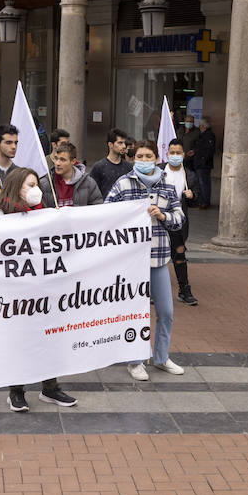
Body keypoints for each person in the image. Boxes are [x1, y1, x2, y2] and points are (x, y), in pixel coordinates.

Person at [0, 167, 78, 412]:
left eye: (37, 184)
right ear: (16, 188)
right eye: (30, 185)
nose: (36, 189)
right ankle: (16, 392)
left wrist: (59, 221)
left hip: (45, 291)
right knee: (20, 342)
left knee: (48, 338)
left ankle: (50, 388)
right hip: (15, 294)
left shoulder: (46, 214)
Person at [106, 141, 185, 380]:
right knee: (136, 312)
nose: (144, 159)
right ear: (133, 158)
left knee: (166, 311)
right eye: (139, 156)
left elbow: (179, 218)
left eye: (148, 156)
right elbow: (107, 213)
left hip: (159, 257)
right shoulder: (123, 184)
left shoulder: (168, 186)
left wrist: (163, 215)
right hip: (132, 260)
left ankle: (161, 357)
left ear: (155, 158)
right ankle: (135, 360)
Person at [163, 138, 197, 306]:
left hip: (178, 223)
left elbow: (195, 202)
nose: (175, 155)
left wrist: (192, 196)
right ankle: (152, 290)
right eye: (172, 153)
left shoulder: (189, 175)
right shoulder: (157, 172)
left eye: (178, 153)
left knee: (179, 256)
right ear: (167, 154)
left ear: (183, 155)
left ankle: (184, 290)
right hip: (159, 222)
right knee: (153, 256)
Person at [48, 142, 102, 208]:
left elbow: (97, 209)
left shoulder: (88, 183)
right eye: (56, 159)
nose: (57, 163)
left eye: (62, 160)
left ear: (73, 161)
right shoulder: (47, 182)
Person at [88, 128, 132, 198]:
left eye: (124, 143)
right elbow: (92, 193)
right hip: (105, 207)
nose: (124, 146)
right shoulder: (99, 167)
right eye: (120, 143)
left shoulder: (129, 167)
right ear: (110, 145)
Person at [190, 117, 217, 209]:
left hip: (204, 165)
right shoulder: (202, 135)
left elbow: (208, 151)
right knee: (199, 183)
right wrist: (194, 152)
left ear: (203, 126)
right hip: (199, 163)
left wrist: (202, 160)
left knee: (204, 183)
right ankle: (201, 201)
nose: (200, 127)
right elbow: (200, 148)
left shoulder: (209, 135)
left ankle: (205, 202)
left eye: (201, 125)